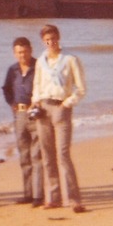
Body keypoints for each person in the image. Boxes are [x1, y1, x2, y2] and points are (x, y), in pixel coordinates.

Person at [31, 23, 87, 213]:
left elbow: (81, 89)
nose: (51, 42)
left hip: (61, 107)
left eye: (53, 39)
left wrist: (67, 104)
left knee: (63, 154)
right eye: (47, 40)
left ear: (58, 38)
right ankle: (53, 198)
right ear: (43, 41)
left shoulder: (70, 59)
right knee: (47, 155)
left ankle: (74, 199)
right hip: (43, 108)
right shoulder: (40, 61)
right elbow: (37, 86)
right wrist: (35, 102)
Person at [2, 35, 43, 206]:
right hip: (19, 115)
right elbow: (6, 89)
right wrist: (12, 104)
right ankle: (27, 193)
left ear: (31, 50)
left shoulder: (40, 67)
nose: (22, 55)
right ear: (14, 53)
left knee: (37, 155)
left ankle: (39, 196)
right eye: (18, 52)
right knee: (24, 155)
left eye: (25, 51)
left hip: (36, 114)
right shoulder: (12, 70)